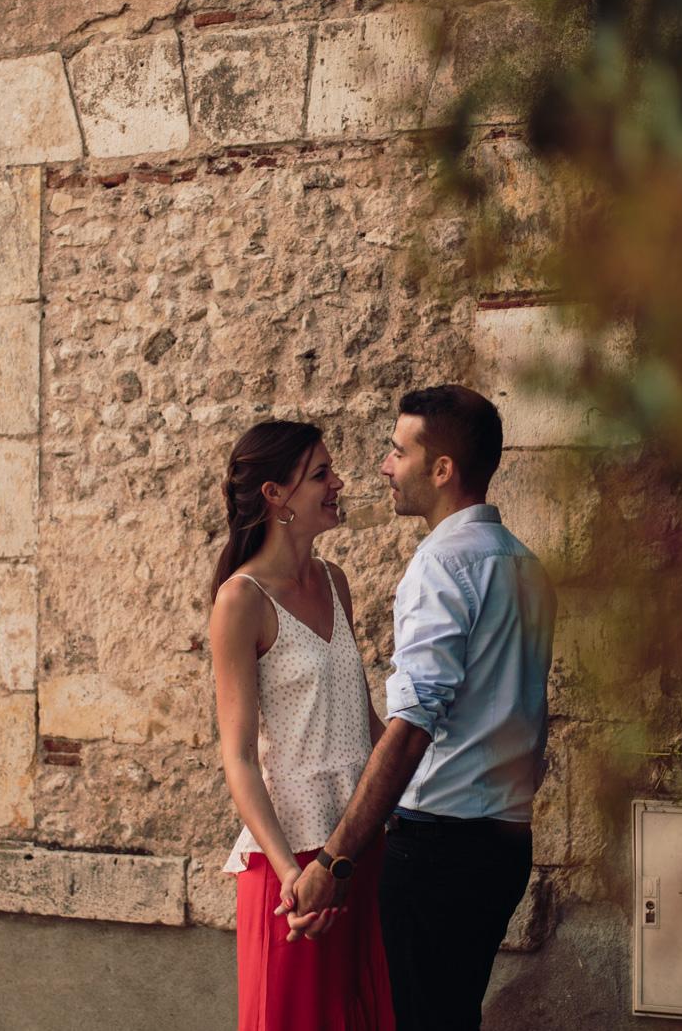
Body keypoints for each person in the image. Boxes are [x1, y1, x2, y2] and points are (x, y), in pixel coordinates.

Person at [282, 385, 555, 1031]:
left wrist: (333, 859)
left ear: (441, 469)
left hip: (438, 850)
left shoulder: (441, 567)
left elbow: (411, 731)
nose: (383, 465)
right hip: (504, 846)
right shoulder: (525, 566)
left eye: (397, 450)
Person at [210, 419, 395, 1031]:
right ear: (275, 495)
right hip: (290, 863)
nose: (338, 482)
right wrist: (292, 875)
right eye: (321, 473)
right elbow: (237, 757)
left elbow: (364, 721)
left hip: (356, 847)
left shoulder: (335, 582)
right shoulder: (242, 601)